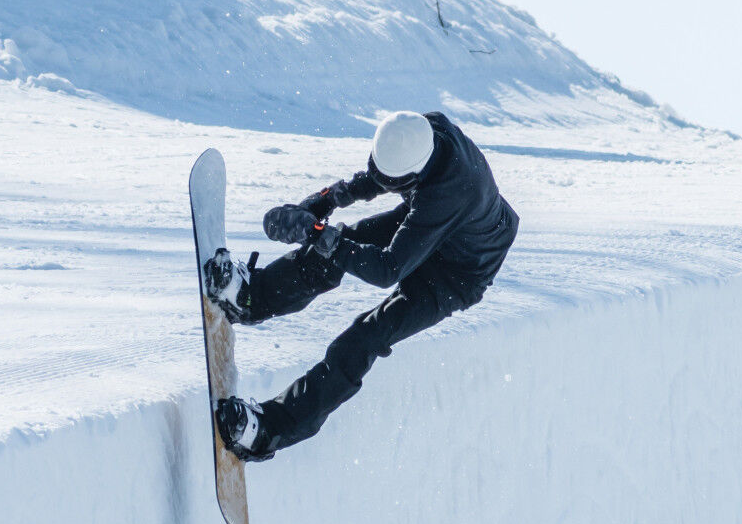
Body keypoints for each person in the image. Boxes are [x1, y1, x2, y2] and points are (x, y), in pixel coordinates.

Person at [200, 110, 519, 461]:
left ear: (414, 175)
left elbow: (387, 270)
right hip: (447, 224)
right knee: (344, 245)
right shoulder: (423, 129)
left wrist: (317, 233)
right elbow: (376, 178)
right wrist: (324, 201)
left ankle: (270, 429)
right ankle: (251, 296)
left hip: (458, 273)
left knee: (367, 335)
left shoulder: (449, 194)